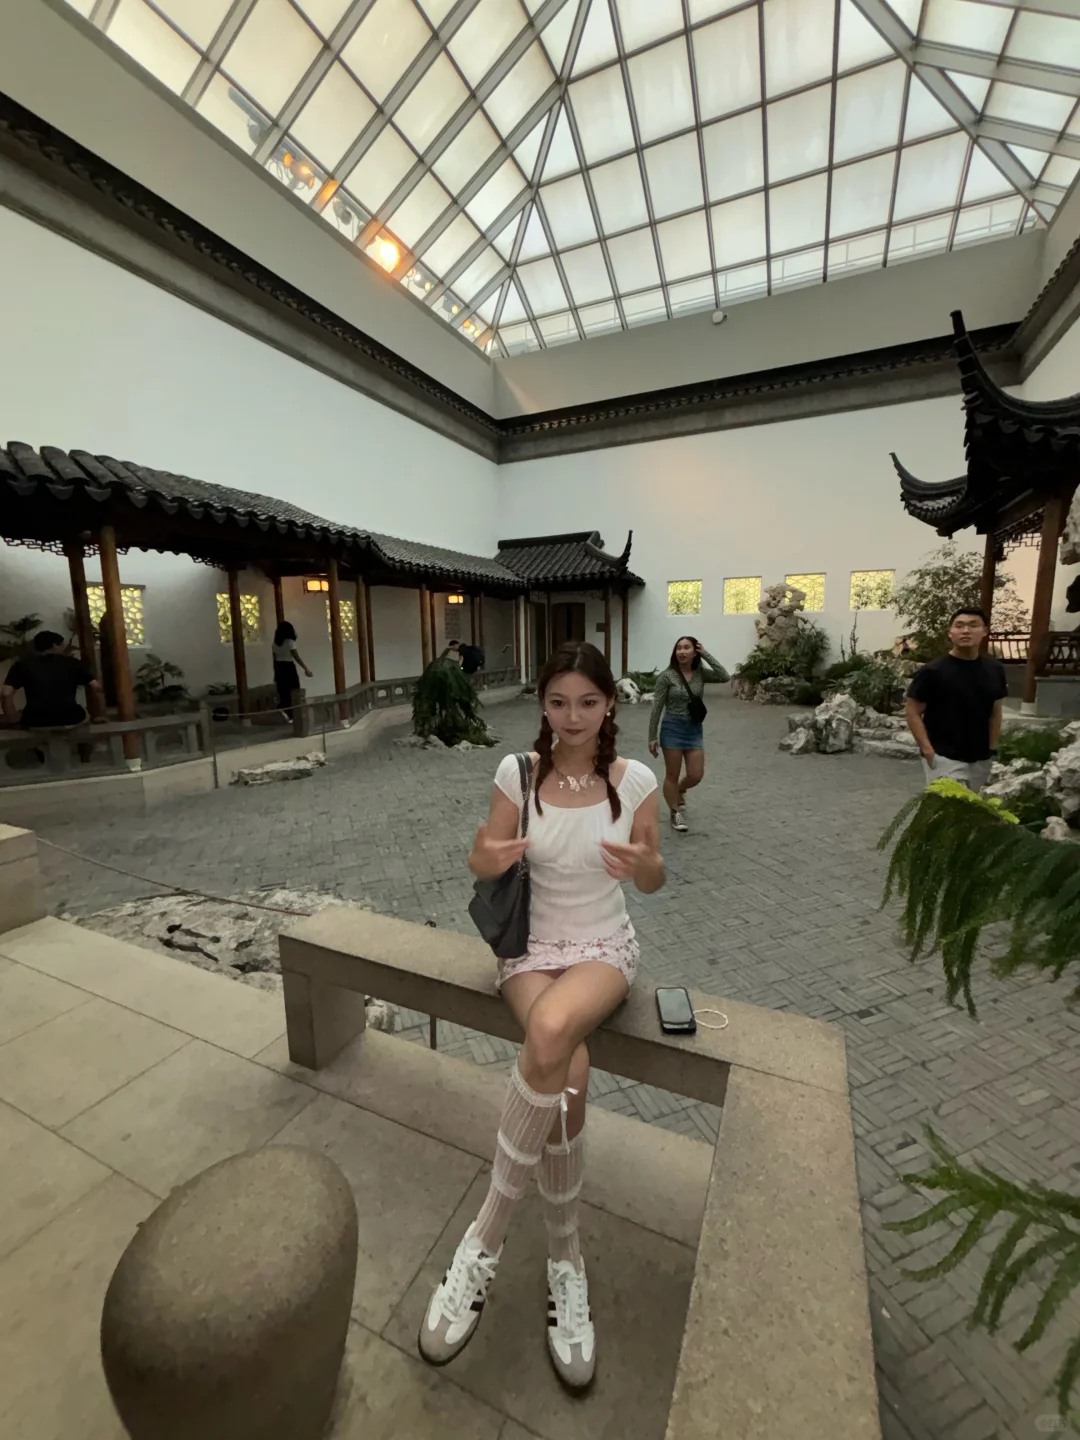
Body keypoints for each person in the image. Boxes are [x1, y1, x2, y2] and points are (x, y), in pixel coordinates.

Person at [418, 641, 662, 1392]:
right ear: (543, 705)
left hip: (602, 949)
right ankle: (565, 1257)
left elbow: (653, 877)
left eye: (587, 702)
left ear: (610, 703)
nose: (573, 717)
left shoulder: (635, 781)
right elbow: (482, 856)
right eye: (558, 702)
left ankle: (483, 1240)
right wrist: (488, 858)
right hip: (528, 950)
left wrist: (643, 867)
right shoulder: (517, 774)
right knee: (570, 1070)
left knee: (553, 1032)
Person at [905, 607, 1007, 793]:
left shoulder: (995, 670)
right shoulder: (933, 671)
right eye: (959, 626)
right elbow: (912, 711)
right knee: (948, 806)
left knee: (973, 806)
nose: (966, 631)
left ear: (985, 631)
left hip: (980, 758)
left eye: (973, 625)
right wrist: (928, 751)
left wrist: (992, 748)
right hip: (944, 757)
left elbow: (996, 710)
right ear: (950, 632)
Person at [647, 636, 729, 833]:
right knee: (672, 774)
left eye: (686, 648)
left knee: (696, 774)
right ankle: (675, 812)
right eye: (678, 648)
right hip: (672, 728)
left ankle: (680, 790)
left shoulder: (700, 673)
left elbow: (724, 676)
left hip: (693, 730)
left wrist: (706, 654)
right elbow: (657, 706)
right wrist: (652, 735)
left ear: (694, 652)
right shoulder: (667, 676)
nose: (682, 652)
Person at [1, 630, 104, 729]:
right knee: (84, 718)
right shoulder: (73, 663)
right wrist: (100, 715)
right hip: (71, 718)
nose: (63, 648)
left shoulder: (21, 665)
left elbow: (6, 693)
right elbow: (97, 688)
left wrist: (13, 719)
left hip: (35, 721)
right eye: (62, 645)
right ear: (55, 645)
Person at [271, 622, 312, 718]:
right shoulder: (290, 642)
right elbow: (296, 657)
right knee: (294, 690)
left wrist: (275, 673)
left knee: (283, 691)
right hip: (288, 667)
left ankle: (287, 713)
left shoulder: (274, 644)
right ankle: (295, 714)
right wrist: (306, 668)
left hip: (279, 667)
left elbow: (274, 659)